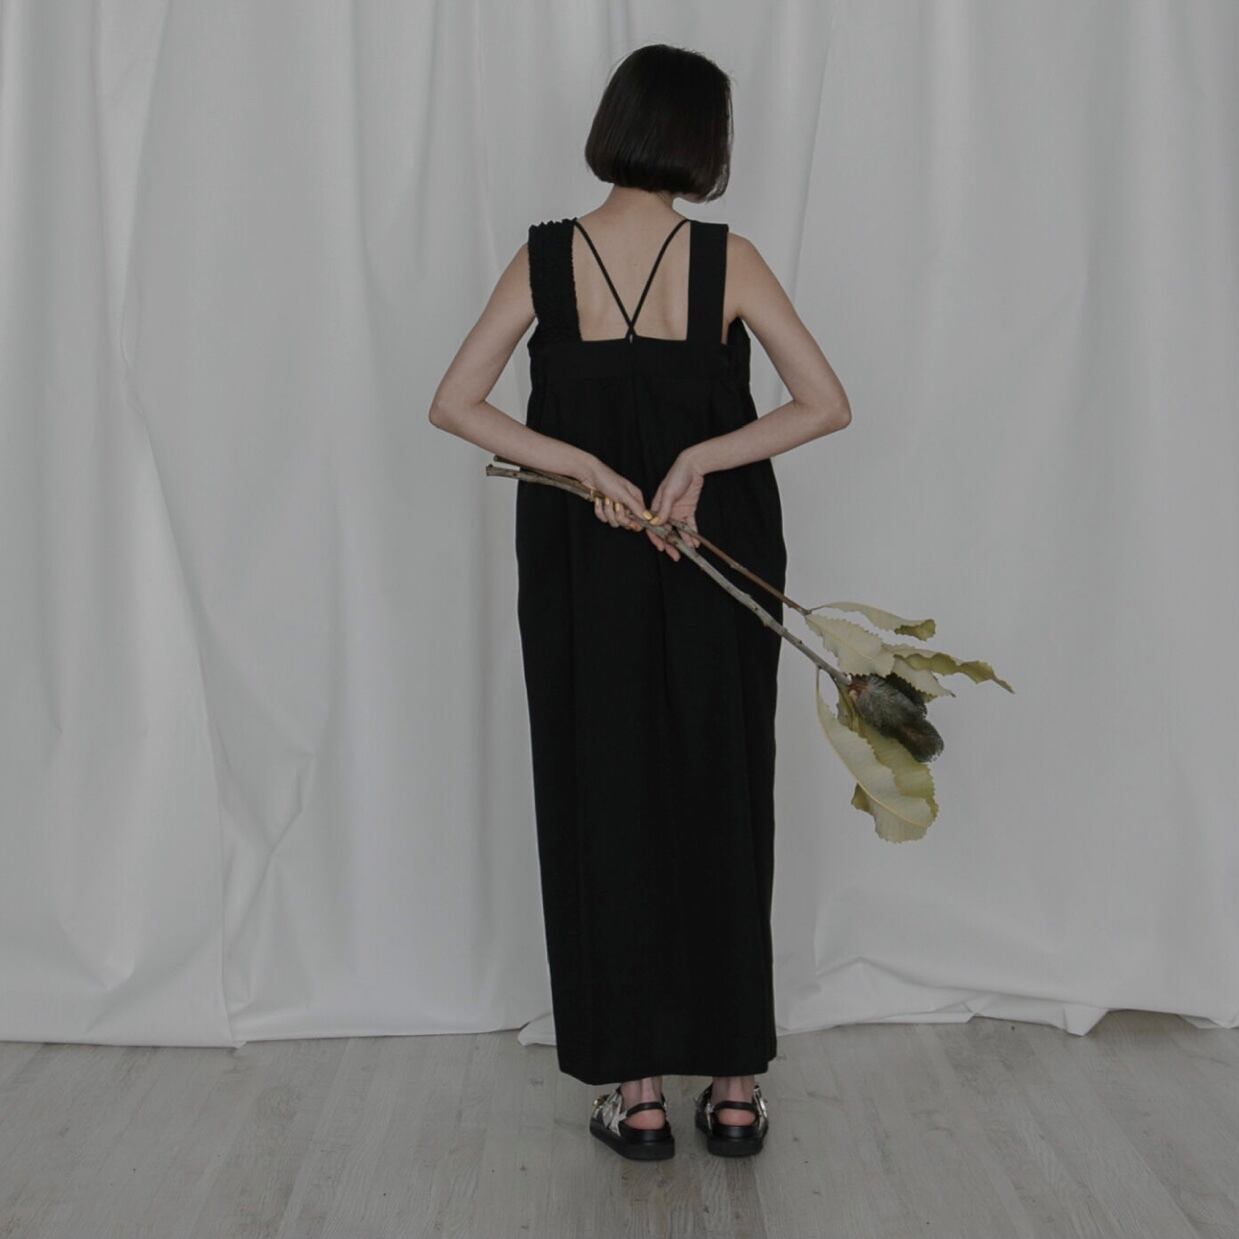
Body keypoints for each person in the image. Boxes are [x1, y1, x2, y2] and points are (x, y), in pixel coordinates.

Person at [429, 43, 850, 1160]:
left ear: (615, 125)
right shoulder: (729, 260)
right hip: (719, 548)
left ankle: (639, 1093)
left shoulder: (543, 262)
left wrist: (582, 468)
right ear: (705, 143)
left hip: (586, 556)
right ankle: (736, 1088)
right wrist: (702, 455)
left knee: (601, 788)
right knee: (723, 786)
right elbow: (824, 403)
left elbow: (456, 403)